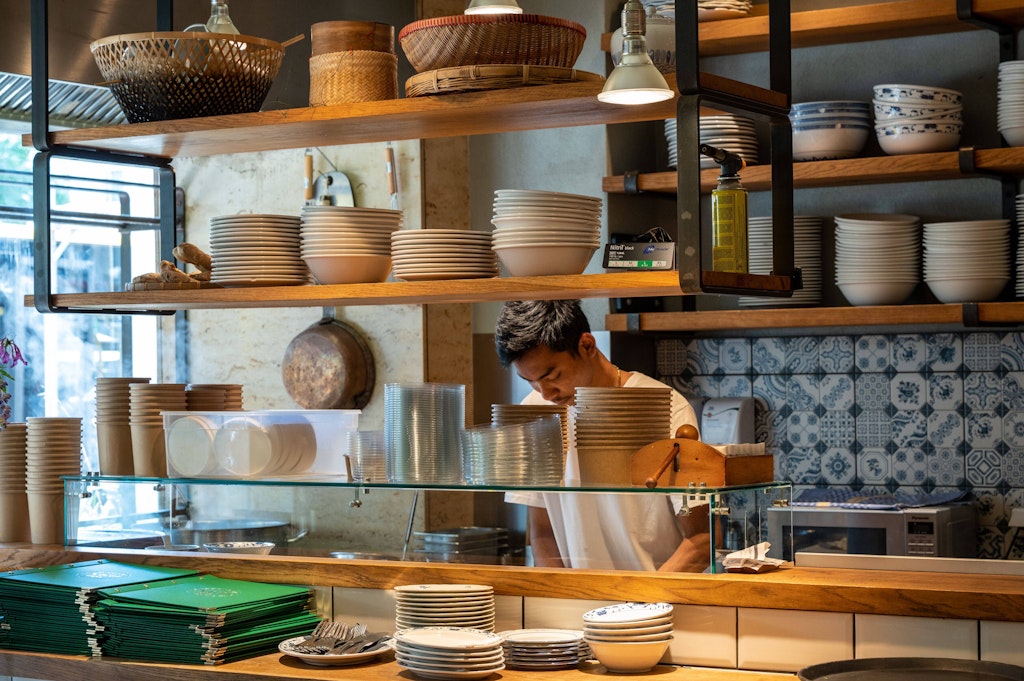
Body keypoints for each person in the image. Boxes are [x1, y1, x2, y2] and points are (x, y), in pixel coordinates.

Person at [495, 299, 710, 572]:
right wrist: (563, 594)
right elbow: (543, 535)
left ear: (586, 345)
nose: (546, 394)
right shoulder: (534, 412)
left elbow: (701, 541)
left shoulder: (666, 409)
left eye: (553, 376)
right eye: (531, 382)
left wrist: (639, 597)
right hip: (577, 596)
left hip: (655, 594)